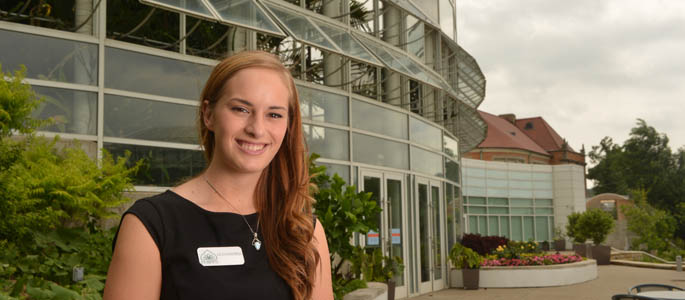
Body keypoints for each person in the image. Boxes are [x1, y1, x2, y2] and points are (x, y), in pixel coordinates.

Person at [104, 51, 334, 300]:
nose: (257, 129)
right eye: (241, 109)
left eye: (274, 114)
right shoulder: (152, 225)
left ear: (288, 126)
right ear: (209, 115)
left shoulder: (304, 231)